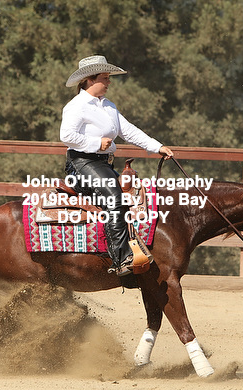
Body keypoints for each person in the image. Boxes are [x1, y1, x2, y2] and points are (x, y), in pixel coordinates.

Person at [60, 55, 174, 276]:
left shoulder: (108, 106)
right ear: (90, 80)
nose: (109, 82)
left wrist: (157, 146)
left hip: (101, 165)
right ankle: (122, 259)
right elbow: (66, 135)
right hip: (82, 163)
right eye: (105, 78)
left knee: (134, 193)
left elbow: (129, 131)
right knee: (114, 198)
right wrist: (96, 143)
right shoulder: (77, 106)